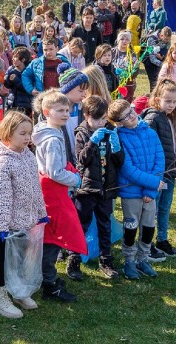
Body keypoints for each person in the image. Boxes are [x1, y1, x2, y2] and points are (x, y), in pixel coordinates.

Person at [0, 111, 46, 319]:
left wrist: (41, 213)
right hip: (10, 223)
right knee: (4, 258)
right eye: (22, 133)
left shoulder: (28, 155)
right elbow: (4, 197)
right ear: (8, 133)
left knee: (21, 257)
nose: (27, 138)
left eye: (29, 133)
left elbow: (36, 187)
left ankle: (19, 290)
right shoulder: (4, 162)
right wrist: (3, 227)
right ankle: (0, 296)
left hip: (28, 218)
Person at [31, 90, 85, 302]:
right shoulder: (52, 139)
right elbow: (54, 172)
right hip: (52, 195)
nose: (65, 113)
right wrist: (75, 179)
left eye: (67, 110)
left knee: (50, 237)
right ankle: (49, 284)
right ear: (46, 112)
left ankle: (48, 277)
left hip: (50, 191)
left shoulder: (48, 132)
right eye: (60, 110)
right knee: (52, 238)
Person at [109, 97, 164, 278]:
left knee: (148, 226)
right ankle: (129, 260)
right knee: (131, 226)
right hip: (131, 193)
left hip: (149, 193)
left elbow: (159, 161)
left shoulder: (150, 133)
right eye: (125, 117)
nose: (131, 117)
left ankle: (143, 258)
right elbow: (128, 169)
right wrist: (154, 184)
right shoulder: (119, 139)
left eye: (130, 112)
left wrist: (150, 190)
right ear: (118, 123)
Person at [70, 96, 123, 279]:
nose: (101, 123)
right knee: (81, 225)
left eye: (104, 119)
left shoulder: (109, 131)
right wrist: (92, 142)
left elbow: (119, 162)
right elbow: (81, 160)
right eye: (97, 119)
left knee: (105, 225)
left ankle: (106, 260)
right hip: (87, 189)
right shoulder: (82, 133)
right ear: (86, 115)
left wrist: (117, 148)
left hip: (106, 188)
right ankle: (74, 260)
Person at [140, 80, 176, 261]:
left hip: (170, 172)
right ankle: (147, 243)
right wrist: (152, 175)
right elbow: (148, 148)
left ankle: (162, 239)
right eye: (167, 101)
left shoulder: (171, 118)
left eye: (174, 102)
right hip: (157, 175)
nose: (171, 105)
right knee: (151, 210)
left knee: (164, 209)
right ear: (157, 99)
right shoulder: (152, 118)